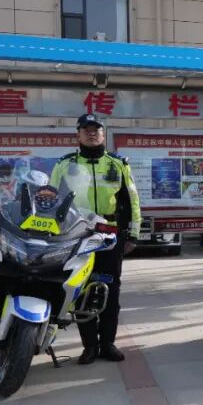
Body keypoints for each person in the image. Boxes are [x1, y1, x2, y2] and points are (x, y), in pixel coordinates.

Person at [50, 114, 141, 364]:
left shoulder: (118, 163)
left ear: (103, 134)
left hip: (109, 236)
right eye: (86, 129)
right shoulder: (64, 165)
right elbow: (52, 200)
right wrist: (53, 233)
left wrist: (133, 233)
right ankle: (89, 346)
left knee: (110, 290)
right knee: (81, 289)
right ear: (77, 135)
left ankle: (108, 343)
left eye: (96, 129)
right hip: (76, 235)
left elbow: (132, 200)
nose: (92, 133)